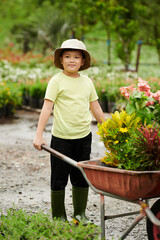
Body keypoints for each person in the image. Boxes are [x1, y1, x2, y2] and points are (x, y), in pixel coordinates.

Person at [33, 39, 105, 224]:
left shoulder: (87, 82)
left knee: (81, 177)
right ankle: (58, 217)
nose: (71, 60)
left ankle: (80, 214)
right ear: (61, 60)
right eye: (67, 56)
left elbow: (95, 107)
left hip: (83, 138)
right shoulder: (56, 81)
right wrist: (39, 134)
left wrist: (108, 128)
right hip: (61, 139)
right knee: (59, 178)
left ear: (82, 61)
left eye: (76, 57)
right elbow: (47, 108)